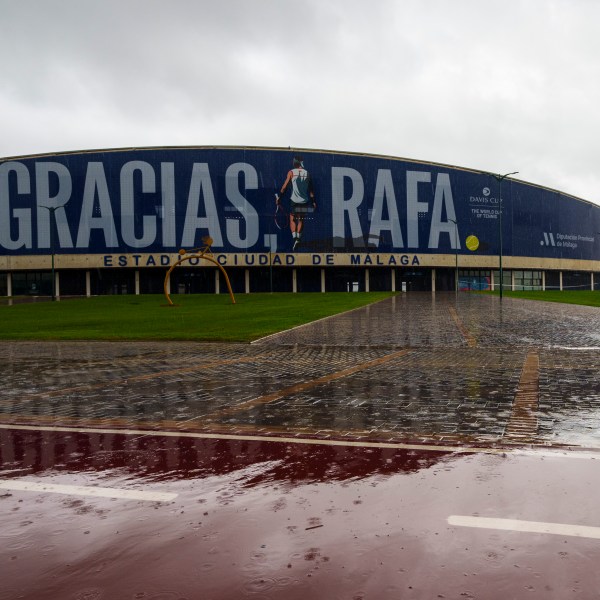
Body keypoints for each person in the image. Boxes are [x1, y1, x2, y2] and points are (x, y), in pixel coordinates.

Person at [276, 156, 317, 250]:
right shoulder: (307, 173)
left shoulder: (291, 172)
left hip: (294, 201)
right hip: (305, 201)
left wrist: (279, 198)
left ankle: (294, 237)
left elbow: (284, 187)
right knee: (301, 219)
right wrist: (314, 202)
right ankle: (298, 238)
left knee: (292, 219)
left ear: (295, 162)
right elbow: (311, 191)